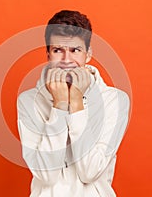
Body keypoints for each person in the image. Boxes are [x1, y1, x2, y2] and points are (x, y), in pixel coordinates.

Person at [17, 10, 130, 197]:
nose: (66, 60)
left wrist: (76, 103)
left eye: (75, 50)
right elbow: (46, 175)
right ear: (48, 54)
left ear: (88, 54)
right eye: (57, 50)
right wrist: (59, 106)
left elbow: (90, 172)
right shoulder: (28, 101)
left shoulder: (115, 100)